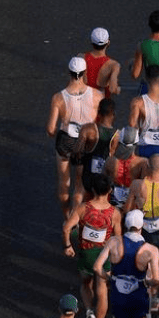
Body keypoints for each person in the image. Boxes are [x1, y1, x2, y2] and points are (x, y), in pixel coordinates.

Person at [63, 173, 122, 318]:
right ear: (110, 190)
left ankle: (89, 310)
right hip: (103, 257)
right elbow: (118, 240)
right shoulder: (115, 213)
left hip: (85, 255)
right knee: (102, 293)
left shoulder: (83, 208)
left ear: (93, 190)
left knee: (85, 284)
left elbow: (67, 228)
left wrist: (68, 246)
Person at [47, 56, 105, 219]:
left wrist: (51, 133)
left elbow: (51, 128)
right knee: (79, 185)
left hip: (66, 140)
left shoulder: (58, 97)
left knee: (64, 183)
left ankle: (67, 216)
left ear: (69, 73)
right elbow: (101, 122)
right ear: (85, 73)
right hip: (85, 142)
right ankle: (75, 218)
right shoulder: (97, 95)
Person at [79, 98, 120, 202]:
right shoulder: (116, 135)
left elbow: (78, 151)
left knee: (85, 200)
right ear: (113, 114)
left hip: (88, 175)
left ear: (98, 112)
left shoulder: (88, 129)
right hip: (103, 178)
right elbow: (112, 154)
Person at [103, 126, 149, 210]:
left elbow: (103, 183)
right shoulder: (142, 163)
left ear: (120, 142)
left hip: (113, 201)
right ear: (136, 142)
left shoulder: (110, 160)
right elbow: (144, 188)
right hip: (132, 203)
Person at [83, 27, 121, 98]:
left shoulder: (81, 57)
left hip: (83, 100)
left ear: (91, 42)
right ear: (108, 43)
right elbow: (112, 89)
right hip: (101, 103)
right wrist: (118, 89)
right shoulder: (113, 65)